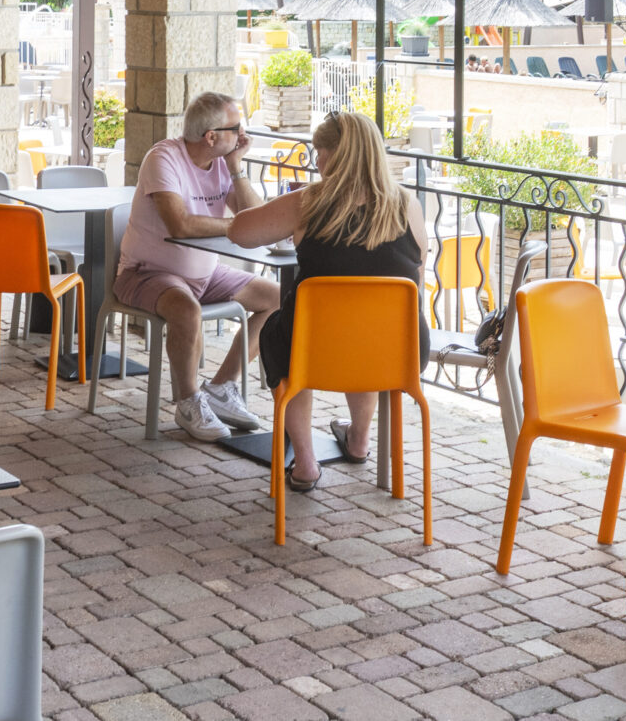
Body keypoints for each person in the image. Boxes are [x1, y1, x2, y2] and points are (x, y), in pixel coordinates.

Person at [229, 110, 430, 492]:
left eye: (320, 151)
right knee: (364, 327)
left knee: (285, 333)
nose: (316, 161)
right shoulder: (408, 205)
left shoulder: (309, 202)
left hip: (317, 349)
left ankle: (305, 463)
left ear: (337, 155)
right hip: (399, 351)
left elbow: (240, 232)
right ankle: (358, 440)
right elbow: (418, 275)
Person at [114, 91, 278, 442]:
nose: (244, 135)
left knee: (278, 298)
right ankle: (188, 402)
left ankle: (221, 387)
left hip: (206, 273)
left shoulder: (222, 163)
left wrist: (236, 168)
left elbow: (259, 222)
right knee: (186, 310)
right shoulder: (164, 158)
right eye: (237, 127)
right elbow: (181, 224)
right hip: (145, 272)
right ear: (211, 137)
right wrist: (234, 228)